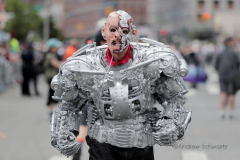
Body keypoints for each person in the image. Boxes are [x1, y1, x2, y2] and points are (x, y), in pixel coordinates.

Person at [50, 11, 191, 160]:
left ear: (133, 34)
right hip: (102, 144)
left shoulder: (151, 63)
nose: (118, 35)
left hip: (141, 144)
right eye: (112, 30)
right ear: (104, 32)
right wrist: (64, 133)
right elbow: (69, 105)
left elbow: (175, 99)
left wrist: (171, 123)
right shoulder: (87, 66)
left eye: (124, 31)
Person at [215, 37, 240, 119]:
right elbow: (238, 64)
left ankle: (222, 111)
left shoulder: (220, 52)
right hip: (232, 76)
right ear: (229, 43)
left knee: (223, 93)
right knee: (231, 94)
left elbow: (216, 65)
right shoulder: (235, 52)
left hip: (222, 75)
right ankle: (231, 112)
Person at [43, 38, 62, 116]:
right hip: (51, 77)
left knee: (54, 93)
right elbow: (57, 65)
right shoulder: (50, 55)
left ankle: (52, 110)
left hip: (53, 77)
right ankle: (51, 110)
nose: (57, 48)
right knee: (52, 94)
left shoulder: (53, 54)